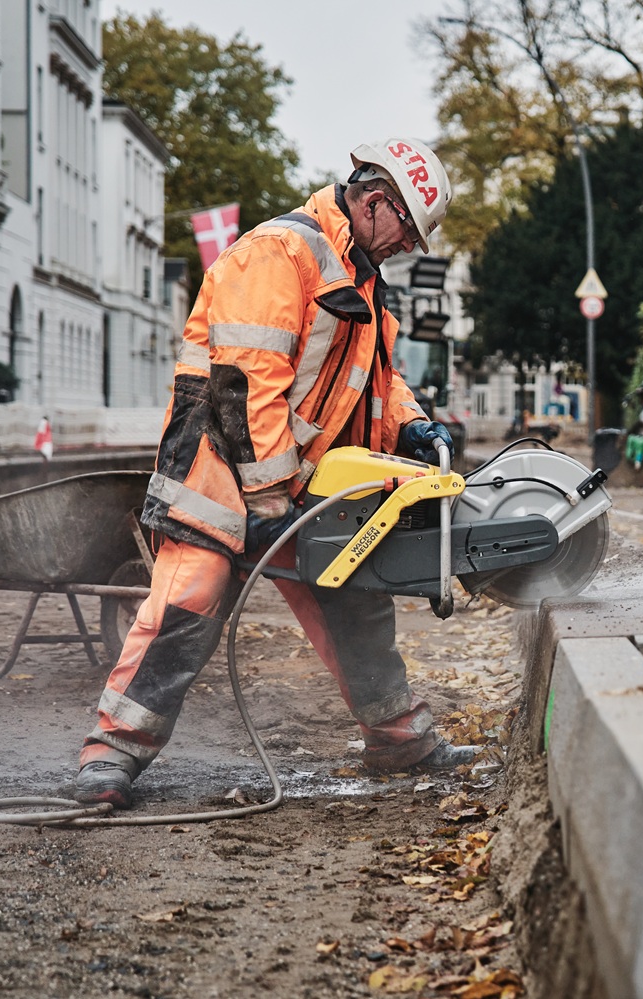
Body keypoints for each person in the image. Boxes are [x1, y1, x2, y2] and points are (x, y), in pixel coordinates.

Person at [74, 138, 472, 810]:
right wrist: (265, 498)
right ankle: (111, 752)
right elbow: (244, 385)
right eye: (407, 228)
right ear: (376, 202)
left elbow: (376, 379)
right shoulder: (280, 252)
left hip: (289, 475)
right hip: (219, 466)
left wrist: (409, 421)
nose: (409, 245)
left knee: (354, 592)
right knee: (188, 599)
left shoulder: (361, 277)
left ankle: (398, 737)